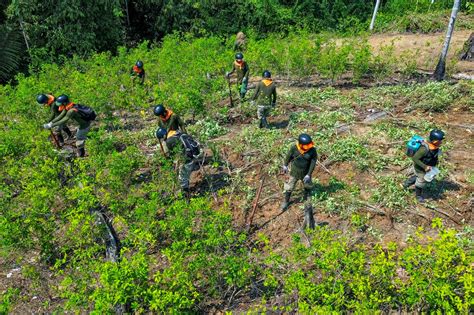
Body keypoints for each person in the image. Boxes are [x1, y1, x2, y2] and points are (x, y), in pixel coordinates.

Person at [156, 128, 202, 199]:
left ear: (163, 135)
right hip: (194, 156)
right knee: (184, 176)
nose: (163, 140)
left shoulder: (169, 141)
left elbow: (171, 156)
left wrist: (173, 165)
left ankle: (186, 198)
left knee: (182, 179)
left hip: (187, 159)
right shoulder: (180, 134)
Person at [403, 129, 445, 203]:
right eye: (440, 141)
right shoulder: (424, 149)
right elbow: (415, 159)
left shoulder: (434, 146)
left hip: (428, 166)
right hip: (421, 168)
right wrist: (425, 167)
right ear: (435, 141)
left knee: (418, 177)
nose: (441, 142)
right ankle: (418, 195)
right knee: (421, 182)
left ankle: (406, 184)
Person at [281, 134, 318, 210]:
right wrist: (285, 165)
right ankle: (286, 201)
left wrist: (308, 174)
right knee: (289, 187)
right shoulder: (294, 148)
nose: (308, 147)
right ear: (301, 144)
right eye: (306, 146)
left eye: (309, 145)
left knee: (308, 187)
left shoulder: (312, 150)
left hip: (306, 173)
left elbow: (313, 162)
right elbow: (288, 156)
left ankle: (307, 201)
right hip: (295, 172)